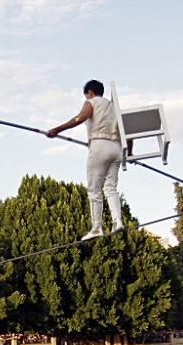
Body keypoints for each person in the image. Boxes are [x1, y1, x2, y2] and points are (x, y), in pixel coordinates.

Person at [47, 79, 123, 240]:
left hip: (100, 145)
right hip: (116, 148)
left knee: (94, 190)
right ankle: (117, 221)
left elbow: (80, 118)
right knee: (110, 188)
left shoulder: (92, 102)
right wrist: (129, 153)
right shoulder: (113, 107)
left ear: (90, 92)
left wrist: (57, 129)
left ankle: (97, 227)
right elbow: (126, 129)